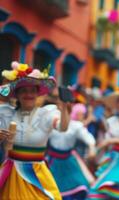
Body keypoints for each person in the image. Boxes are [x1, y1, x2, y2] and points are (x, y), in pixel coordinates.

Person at [0, 61, 70, 199]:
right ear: (17, 94)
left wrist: (64, 107)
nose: (29, 94)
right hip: (12, 173)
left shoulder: (47, 114)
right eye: (24, 91)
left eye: (32, 91)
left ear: (38, 94)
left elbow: (63, 127)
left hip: (37, 175)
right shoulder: (6, 114)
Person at [46, 103, 96, 199]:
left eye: (65, 109)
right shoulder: (50, 123)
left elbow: (89, 138)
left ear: (69, 110)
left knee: (79, 185)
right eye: (60, 109)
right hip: (52, 161)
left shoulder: (76, 126)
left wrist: (92, 148)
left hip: (68, 161)